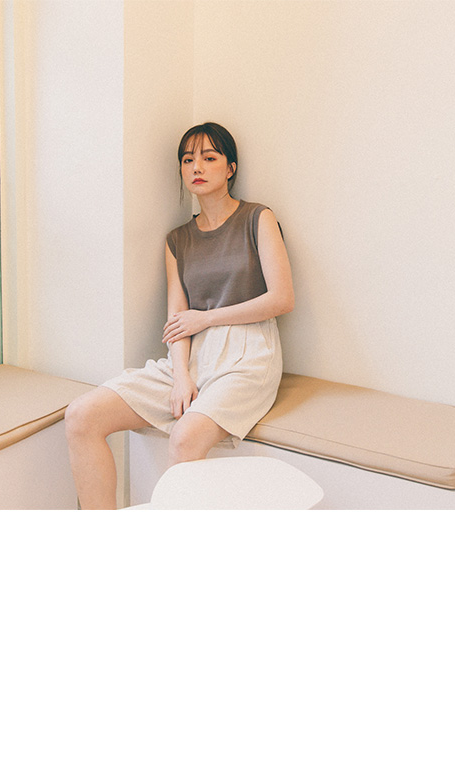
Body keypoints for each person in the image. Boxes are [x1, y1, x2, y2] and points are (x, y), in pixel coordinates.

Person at [65, 122, 294, 509]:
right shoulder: (177, 240)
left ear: (231, 168)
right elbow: (177, 317)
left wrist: (206, 318)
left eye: (209, 158)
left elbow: (282, 299)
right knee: (81, 416)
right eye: (188, 160)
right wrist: (181, 376)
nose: (196, 167)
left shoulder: (258, 218)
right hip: (190, 354)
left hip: (249, 354)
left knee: (185, 437)